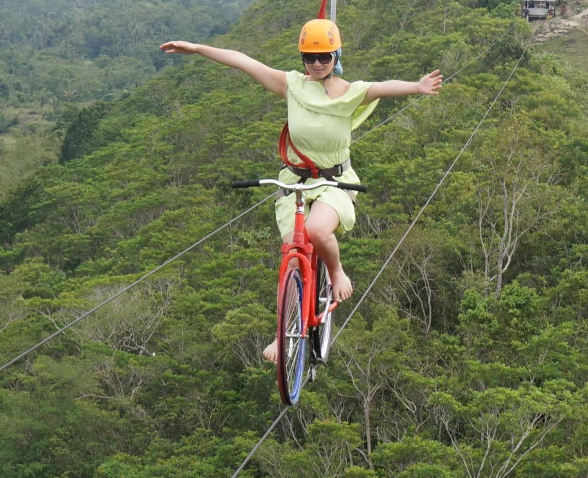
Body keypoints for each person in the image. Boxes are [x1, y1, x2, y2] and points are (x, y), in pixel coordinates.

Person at [160, 19, 441, 362]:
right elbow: (244, 62)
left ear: (336, 55)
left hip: (334, 182)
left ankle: (336, 271)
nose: (317, 64)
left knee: (316, 230)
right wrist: (197, 48)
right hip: (294, 183)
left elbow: (383, 87)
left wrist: (417, 86)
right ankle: (284, 335)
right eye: (310, 57)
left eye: (324, 57)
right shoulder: (292, 85)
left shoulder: (349, 91)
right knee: (293, 255)